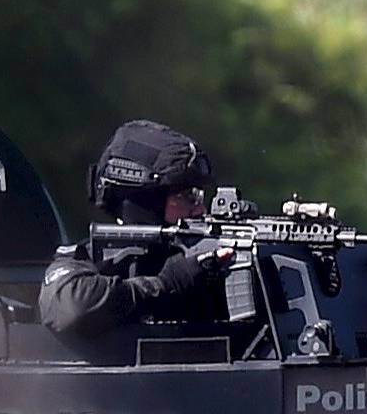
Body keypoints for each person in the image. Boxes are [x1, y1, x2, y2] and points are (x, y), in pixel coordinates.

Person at [38, 119, 236, 341]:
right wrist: (164, 285)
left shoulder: (210, 262)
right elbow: (72, 308)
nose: (200, 208)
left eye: (199, 196)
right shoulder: (86, 261)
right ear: (147, 202)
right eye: (187, 196)